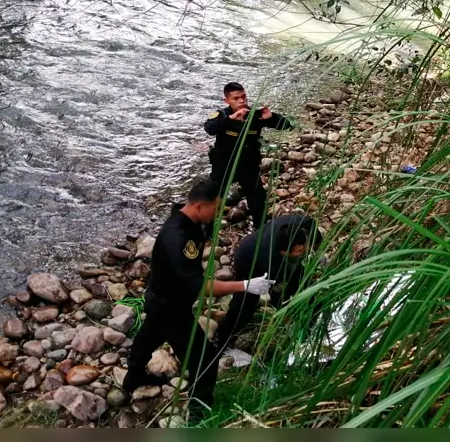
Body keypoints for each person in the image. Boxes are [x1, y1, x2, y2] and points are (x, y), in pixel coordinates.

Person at [123, 177, 276, 418]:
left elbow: (201, 233)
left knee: (150, 335)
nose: (218, 215)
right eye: (216, 209)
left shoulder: (189, 219)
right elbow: (201, 286)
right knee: (204, 359)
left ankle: (132, 378)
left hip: (163, 297)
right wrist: (245, 285)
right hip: (171, 306)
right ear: (199, 205)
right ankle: (198, 413)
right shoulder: (177, 237)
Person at [215, 214, 324, 350]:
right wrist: (289, 318)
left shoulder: (303, 224)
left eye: (307, 246)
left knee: (305, 285)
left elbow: (313, 229)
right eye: (301, 251)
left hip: (271, 247)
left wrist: (317, 249)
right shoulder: (273, 263)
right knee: (244, 305)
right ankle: (221, 338)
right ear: (284, 252)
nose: (306, 251)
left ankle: (315, 316)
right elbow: (279, 296)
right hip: (249, 260)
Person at [204, 82, 294, 229]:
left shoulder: (255, 115)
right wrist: (230, 120)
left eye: (243, 97)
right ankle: (206, 232)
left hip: (248, 167)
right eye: (236, 98)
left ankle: (260, 232)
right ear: (227, 100)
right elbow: (209, 128)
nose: (241, 101)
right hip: (224, 167)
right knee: (210, 200)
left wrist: (271, 117)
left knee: (258, 202)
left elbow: (286, 125)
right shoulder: (223, 115)